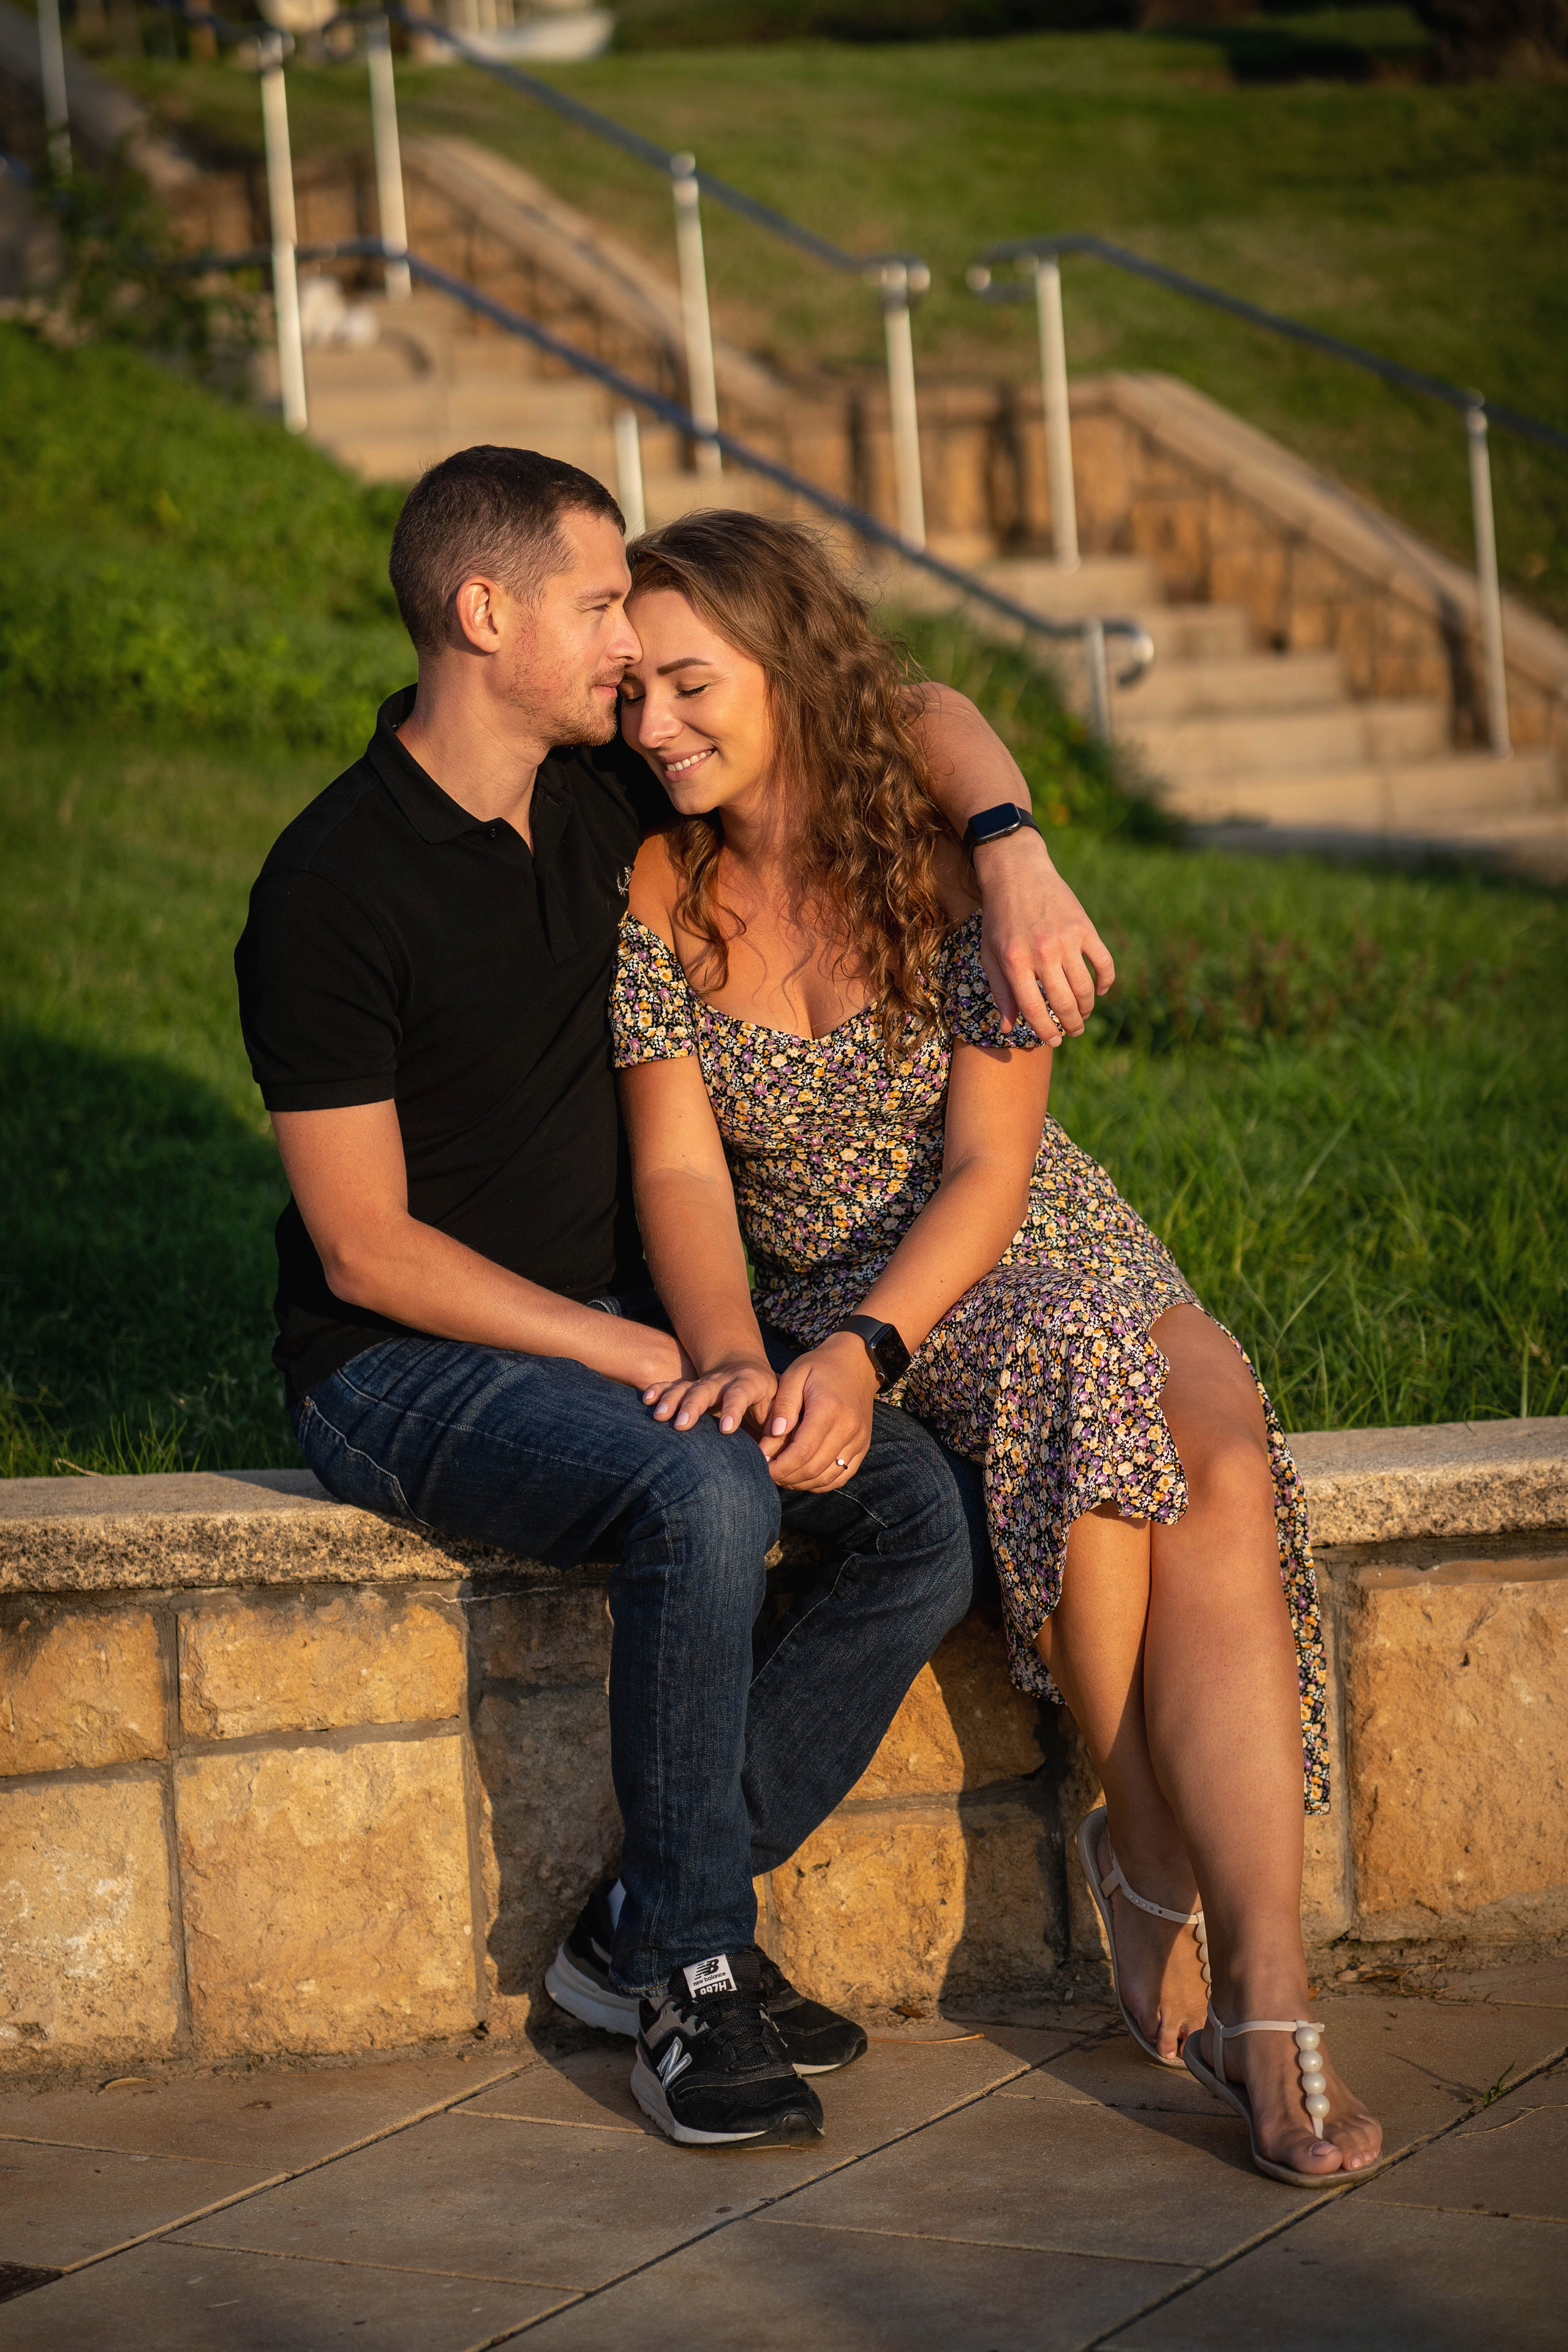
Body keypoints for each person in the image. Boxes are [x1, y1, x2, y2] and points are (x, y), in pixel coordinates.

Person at [233, 445, 1117, 2152]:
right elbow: (363, 1248)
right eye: (592, 610)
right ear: (485, 613)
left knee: (918, 1515)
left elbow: (899, 697)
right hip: (398, 1366)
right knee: (701, 1475)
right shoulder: (330, 886)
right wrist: (636, 1347)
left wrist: (1007, 847)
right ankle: (696, 1976)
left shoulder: (600, 793)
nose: (631, 676)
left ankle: (640, 1916)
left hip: (618, 1326)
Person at [608, 509, 1387, 2188]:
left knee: (1221, 1443)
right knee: (1106, 1376)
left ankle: (1248, 1959)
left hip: (1013, 1238)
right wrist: (746, 1350)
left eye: (692, 683)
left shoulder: (941, 855)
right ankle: (1163, 1853)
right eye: (636, 693)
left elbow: (992, 1171)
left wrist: (1018, 842)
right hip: (831, 1284)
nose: (654, 722)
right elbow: (678, 1164)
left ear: (783, 671)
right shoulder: (656, 884)